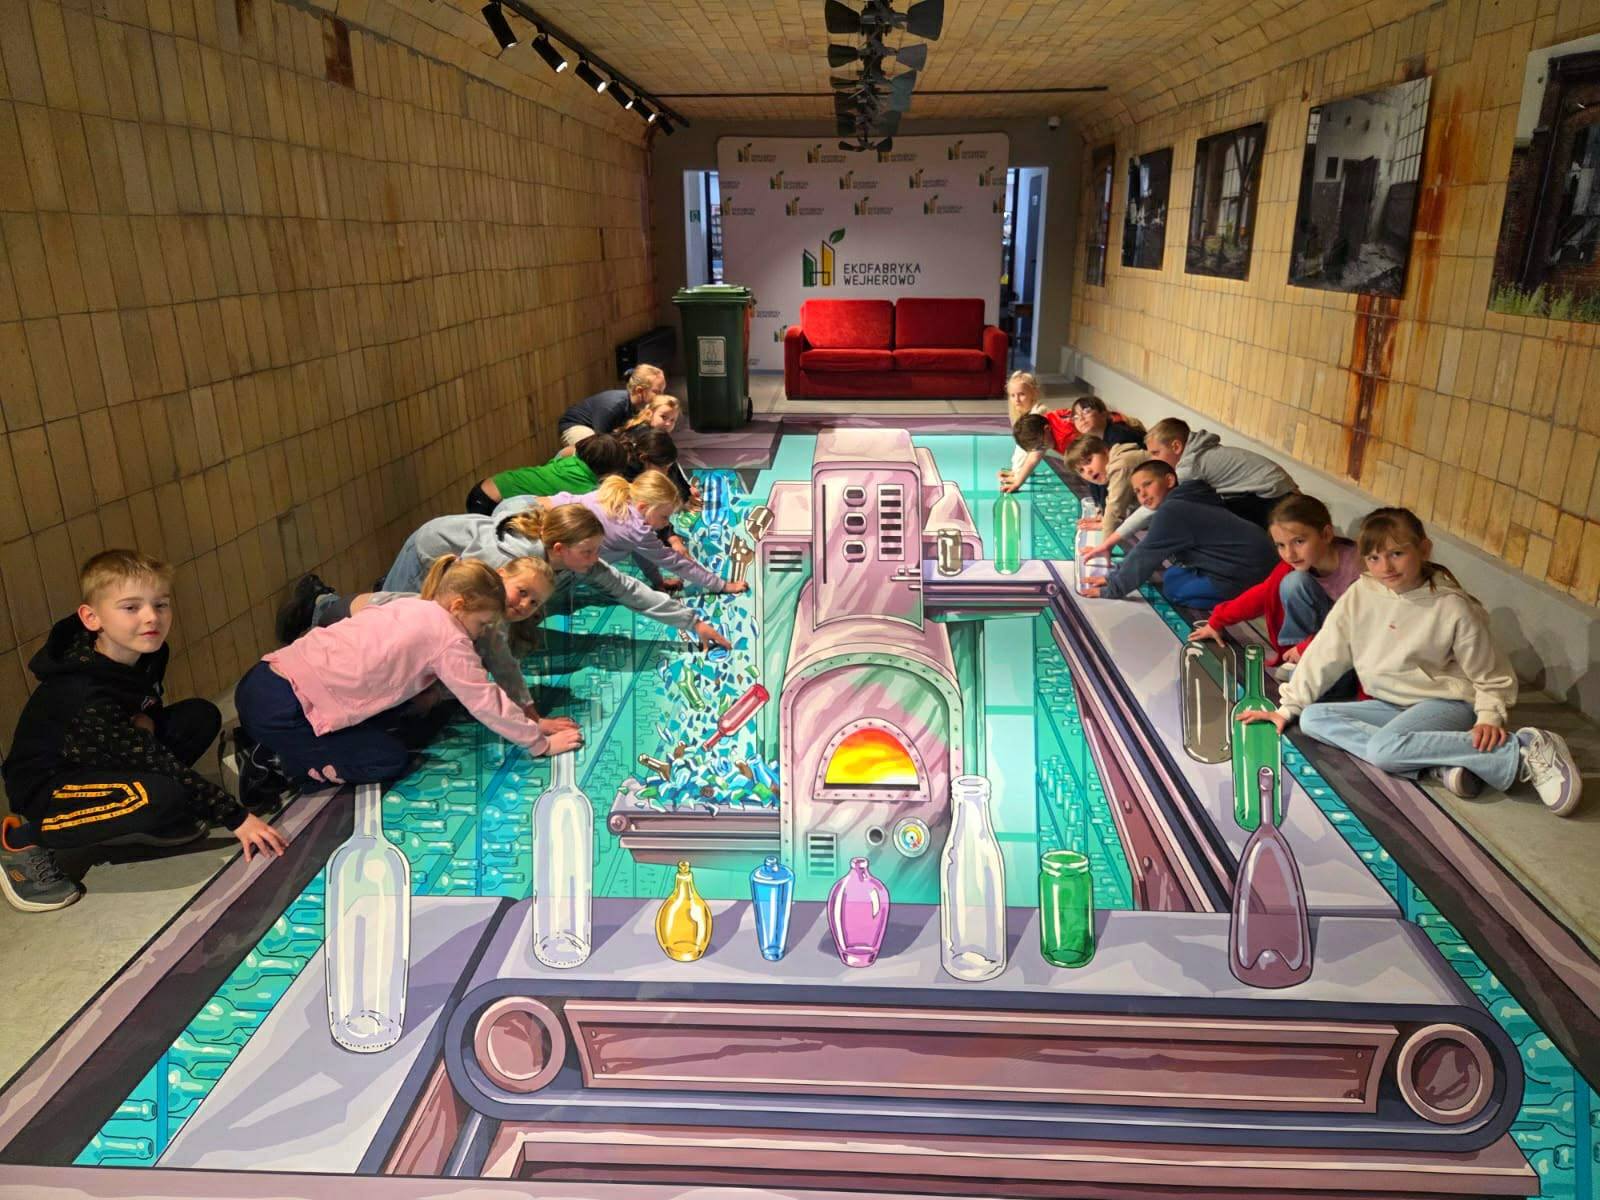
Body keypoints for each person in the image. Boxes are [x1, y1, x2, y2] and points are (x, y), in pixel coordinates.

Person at [1240, 508, 1582, 815]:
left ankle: (1521, 750)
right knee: (1313, 718)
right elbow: (1326, 652)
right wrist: (1287, 708)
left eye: (1397, 554)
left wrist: (1489, 716)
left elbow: (1490, 673)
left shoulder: (1452, 606)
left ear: (1424, 549)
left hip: (1448, 703)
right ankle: (1435, 760)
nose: (1385, 567)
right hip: (1392, 704)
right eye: (1374, 558)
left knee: (1384, 751)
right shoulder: (1362, 592)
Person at [1, 551, 286, 913]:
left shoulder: (149, 652)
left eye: (160, 604)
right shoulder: (83, 693)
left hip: (101, 753)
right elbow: (158, 761)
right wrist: (237, 818)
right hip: (51, 784)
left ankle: (134, 818)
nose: (152, 617)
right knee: (164, 794)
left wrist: (143, 717)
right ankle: (20, 843)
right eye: (131, 608)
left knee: (199, 716)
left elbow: (142, 705)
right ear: (91, 618)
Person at [234, 557, 586, 808]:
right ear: (459, 605)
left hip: (263, 677)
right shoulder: (449, 638)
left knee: (399, 715)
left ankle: (275, 741)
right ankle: (277, 762)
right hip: (285, 711)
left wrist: (531, 717)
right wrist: (538, 743)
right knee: (387, 759)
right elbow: (484, 699)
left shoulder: (412, 605)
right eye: (481, 624)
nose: (480, 633)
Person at [388, 502, 731, 650]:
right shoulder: (504, 561)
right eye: (588, 552)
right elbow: (471, 612)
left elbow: (627, 588)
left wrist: (693, 622)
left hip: (469, 558)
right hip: (429, 552)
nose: (595, 560)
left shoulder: (570, 557)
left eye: (597, 550)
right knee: (402, 624)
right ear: (558, 549)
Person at [276, 558, 562, 719]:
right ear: (500, 576)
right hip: (343, 618)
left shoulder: (483, 616)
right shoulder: (474, 608)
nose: (524, 605)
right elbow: (492, 676)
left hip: (366, 623)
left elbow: (498, 668)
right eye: (522, 592)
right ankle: (319, 601)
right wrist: (533, 724)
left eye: (534, 603)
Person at [1189, 494, 1361, 679]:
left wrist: (1307, 647)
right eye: (1281, 545)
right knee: (1293, 582)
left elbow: (1354, 627)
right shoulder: (1295, 565)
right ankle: (1298, 661)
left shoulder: (1359, 571)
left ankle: (1311, 663)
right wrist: (1217, 620)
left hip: (1354, 644)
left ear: (1326, 534)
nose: (1289, 554)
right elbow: (1263, 594)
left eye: (1299, 541)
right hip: (1322, 641)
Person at [500, 471, 745, 596]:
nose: (666, 523)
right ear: (644, 507)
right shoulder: (635, 527)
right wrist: (722, 585)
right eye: (664, 517)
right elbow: (676, 562)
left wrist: (657, 581)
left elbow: (639, 551)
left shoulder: (621, 494)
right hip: (526, 533)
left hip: (519, 507)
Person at [1079, 460, 1278, 607]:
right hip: (1263, 561)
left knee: (1173, 588)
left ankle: (1253, 600)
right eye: (1137, 491)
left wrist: (1113, 588)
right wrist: (1115, 575)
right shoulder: (1189, 497)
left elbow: (1145, 555)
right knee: (1173, 573)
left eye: (1147, 484)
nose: (1143, 495)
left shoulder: (1172, 511)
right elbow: (1148, 549)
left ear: (1169, 480)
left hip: (1251, 573)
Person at [1002, 395, 1142, 493]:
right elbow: (1033, 458)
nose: (1040, 450)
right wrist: (1018, 481)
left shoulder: (1065, 433)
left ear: (1047, 429)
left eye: (1040, 446)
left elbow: (1093, 444)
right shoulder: (1043, 429)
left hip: (1117, 433)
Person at [465, 433, 628, 515]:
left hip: (485, 487)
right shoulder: (585, 488)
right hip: (490, 502)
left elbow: (571, 449)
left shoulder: (570, 460)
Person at [556, 364, 664, 447]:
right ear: (639, 390)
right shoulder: (614, 405)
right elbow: (600, 440)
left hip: (603, 432)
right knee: (598, 450)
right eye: (657, 392)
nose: (661, 396)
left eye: (662, 391)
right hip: (578, 425)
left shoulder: (642, 408)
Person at [1062, 434, 1146, 532]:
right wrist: (1105, 519)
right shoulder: (1112, 470)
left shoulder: (1121, 466)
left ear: (1105, 451)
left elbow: (1115, 509)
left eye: (1089, 461)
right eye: (1081, 470)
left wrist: (1106, 529)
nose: (1088, 471)